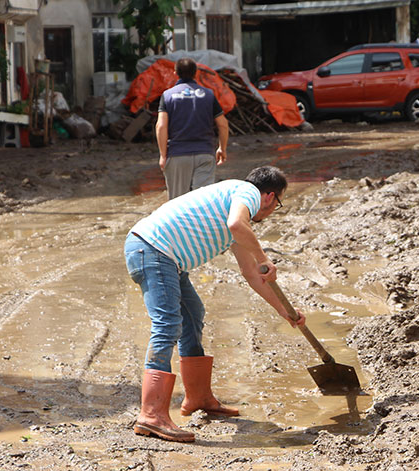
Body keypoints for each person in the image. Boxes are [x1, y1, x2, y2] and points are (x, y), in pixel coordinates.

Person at [124, 166, 306, 442]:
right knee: (168, 324)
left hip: (163, 257)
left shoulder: (236, 209)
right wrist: (264, 257)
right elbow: (237, 225)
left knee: (192, 314)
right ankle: (151, 415)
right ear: (269, 197)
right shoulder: (246, 193)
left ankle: (198, 398)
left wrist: (285, 311)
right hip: (152, 250)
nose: (269, 212)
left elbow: (252, 275)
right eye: (276, 205)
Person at [156, 57, 230, 200]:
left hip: (177, 155)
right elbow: (223, 124)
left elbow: (161, 126)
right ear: (195, 73)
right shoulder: (208, 95)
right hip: (205, 154)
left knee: (178, 204)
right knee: (203, 201)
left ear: (175, 72)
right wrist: (222, 148)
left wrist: (163, 155)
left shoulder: (168, 95)